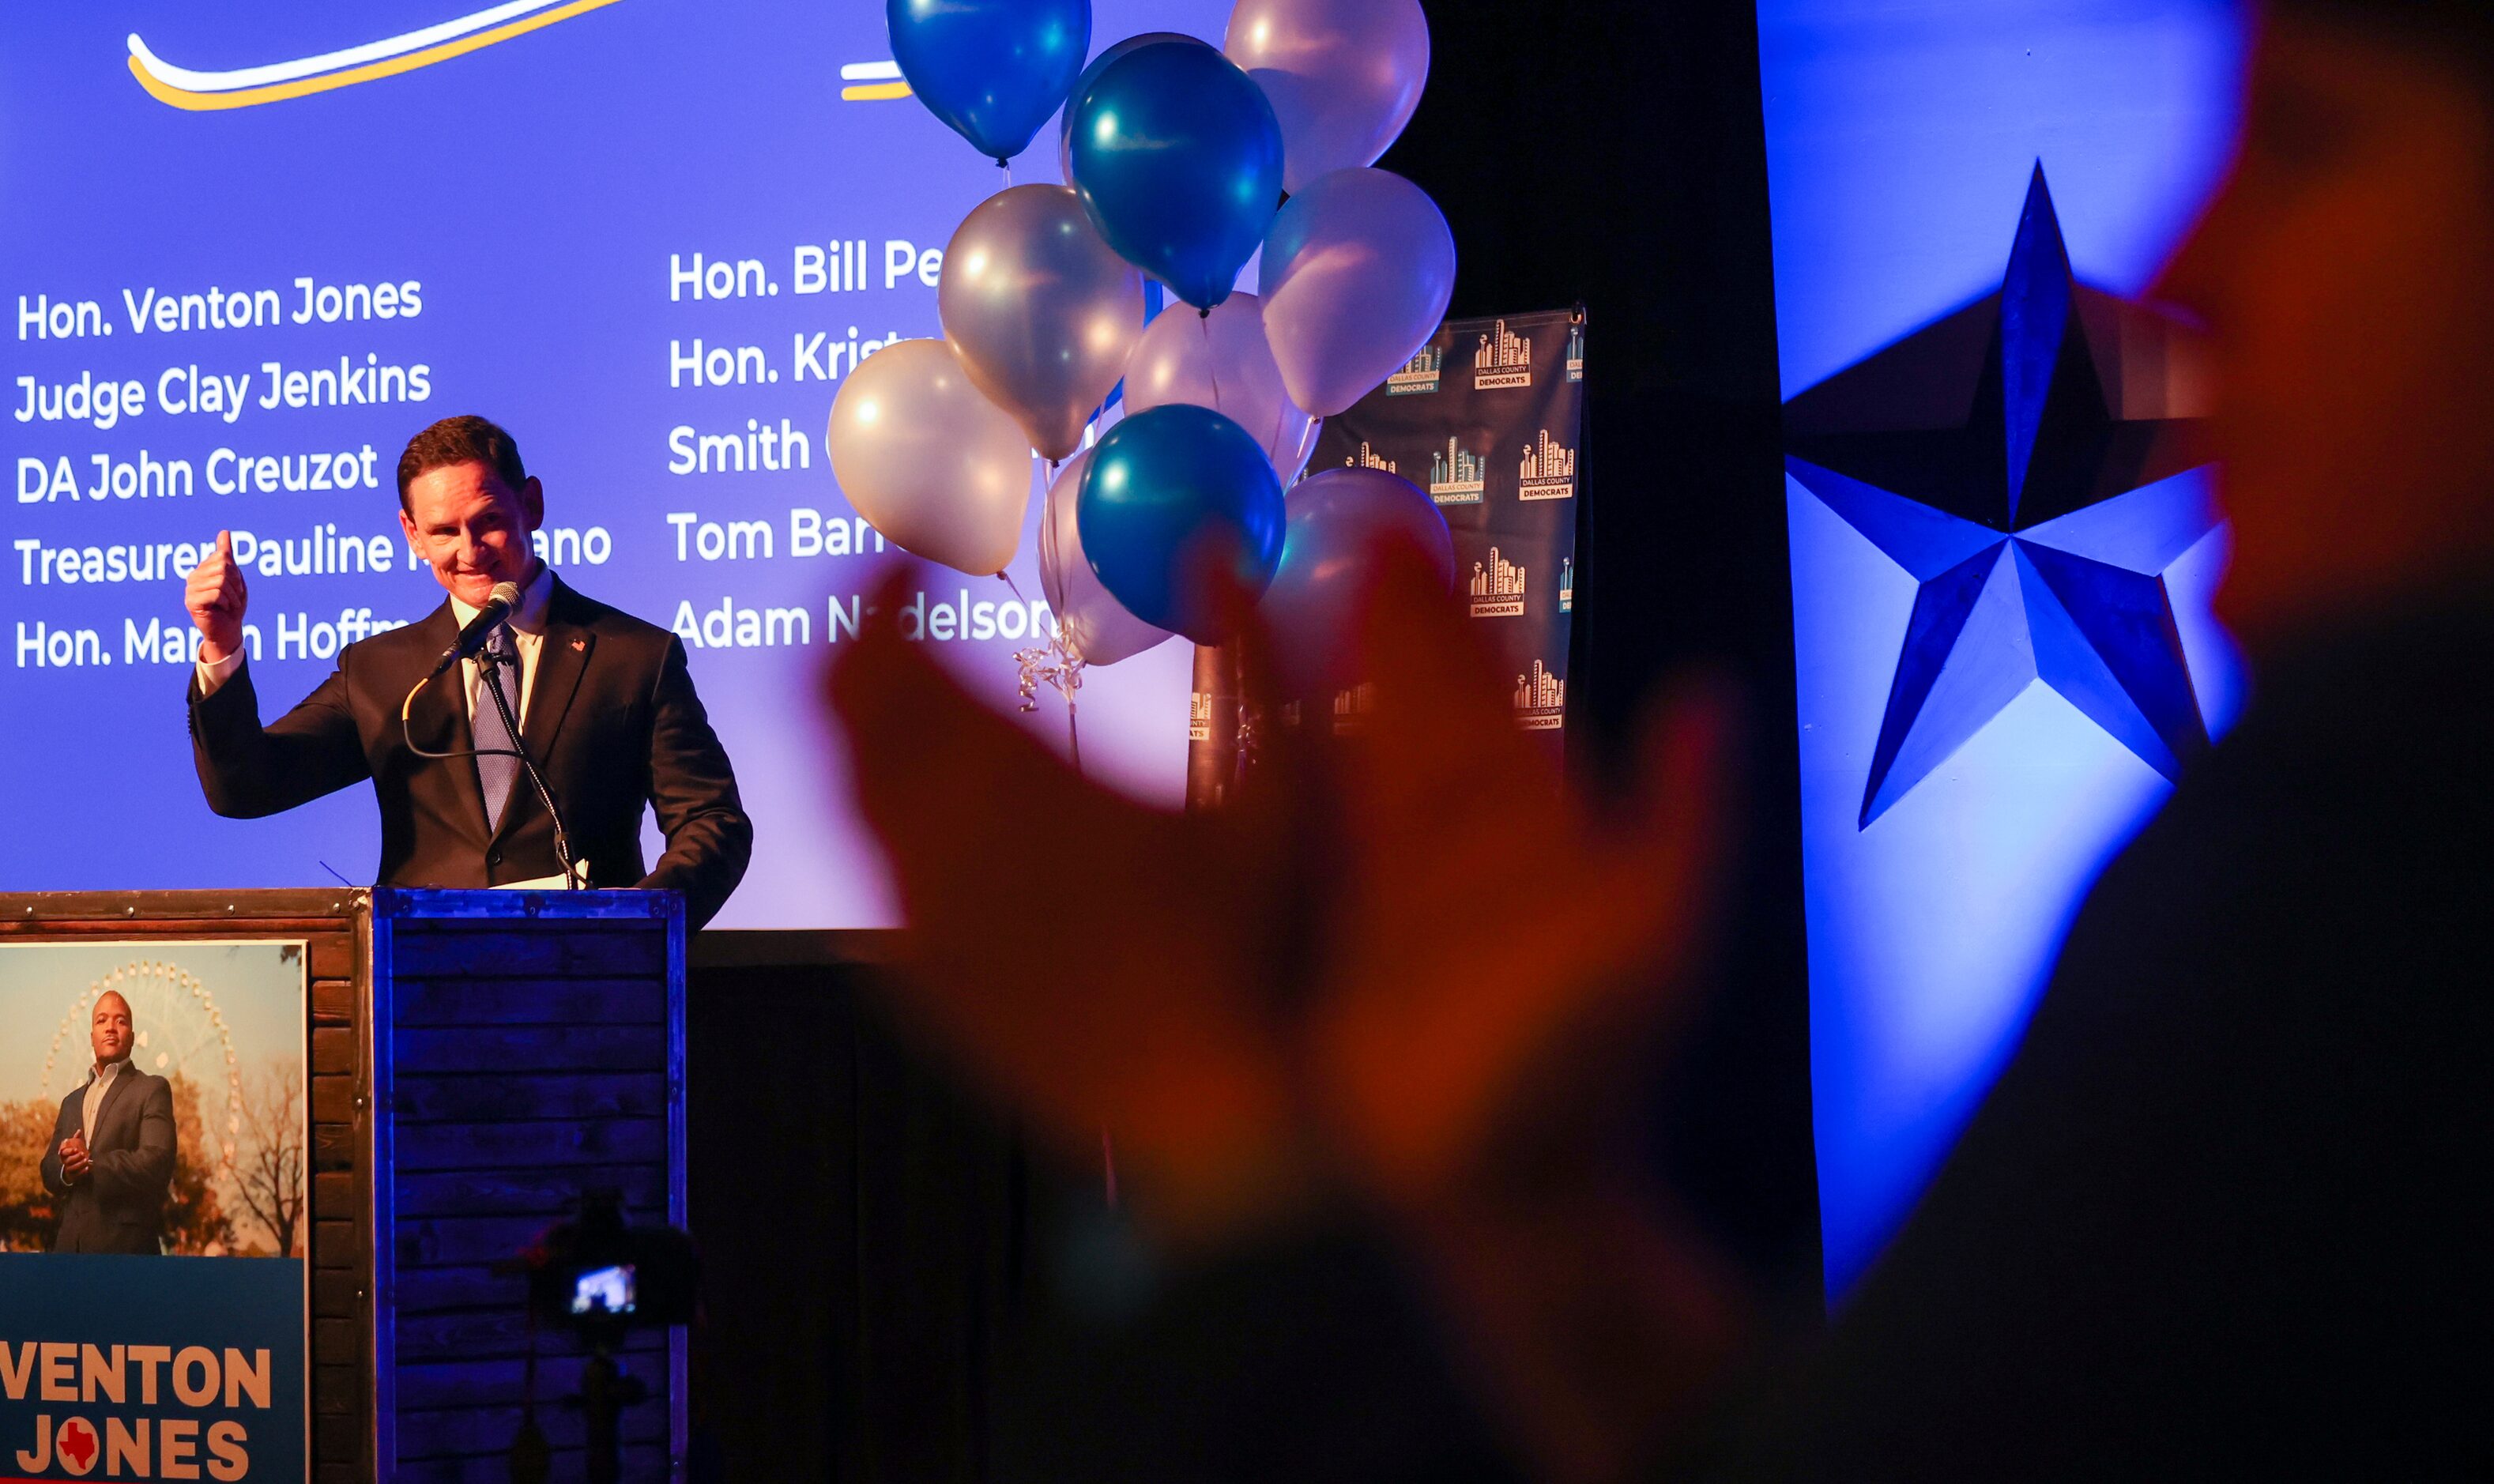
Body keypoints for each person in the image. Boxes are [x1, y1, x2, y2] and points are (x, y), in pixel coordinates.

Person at [822, 0, 2494, 1478]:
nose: (2190, 279)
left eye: (2309, 140)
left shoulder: (2383, 848)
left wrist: (1219, 1142)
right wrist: (1549, 1233)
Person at [186, 415, 752, 928]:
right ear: (412, 535)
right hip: (418, 989)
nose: (470, 550)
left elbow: (712, 821)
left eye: (489, 522)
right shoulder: (381, 671)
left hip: (587, 985)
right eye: (443, 532)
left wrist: (636, 926)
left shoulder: (633, 656)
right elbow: (245, 787)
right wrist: (221, 642)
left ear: (531, 505)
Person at [40, 991, 175, 1255]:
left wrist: (91, 1163)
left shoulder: (151, 1089)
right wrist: (67, 1169)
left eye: (121, 1021)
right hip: (68, 1250)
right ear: (92, 1036)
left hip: (125, 1251)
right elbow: (48, 1170)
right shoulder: (71, 1101)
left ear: (133, 1038)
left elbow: (157, 1162)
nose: (111, 1028)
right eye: (102, 1021)